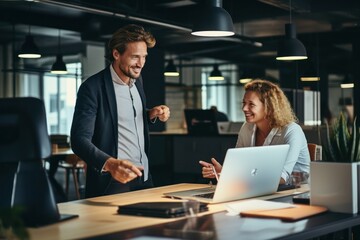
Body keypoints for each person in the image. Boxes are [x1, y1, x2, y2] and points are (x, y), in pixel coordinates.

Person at [71, 24, 170, 198]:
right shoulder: (92, 88)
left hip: (144, 177)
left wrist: (150, 114)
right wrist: (110, 164)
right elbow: (79, 140)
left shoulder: (137, 81)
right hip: (113, 181)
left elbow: (122, 119)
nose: (141, 64)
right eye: (135, 57)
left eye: (144, 57)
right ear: (116, 54)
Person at [200, 79, 310, 185]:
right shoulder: (247, 127)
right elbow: (238, 167)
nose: (244, 108)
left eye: (251, 104)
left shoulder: (292, 130)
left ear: (269, 107)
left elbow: (282, 177)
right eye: (244, 103)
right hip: (261, 189)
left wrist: (239, 176)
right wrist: (223, 172)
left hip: (296, 194)